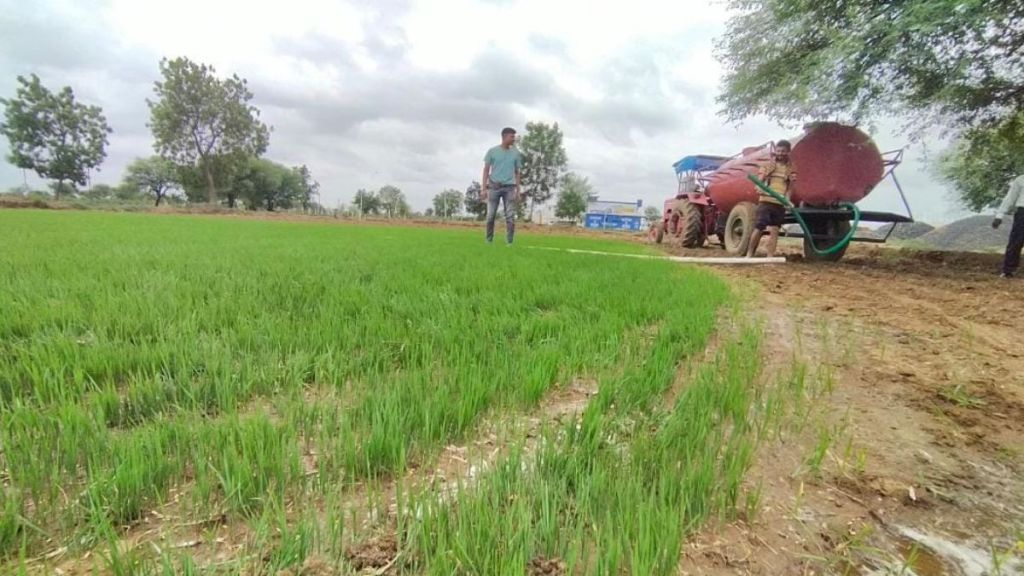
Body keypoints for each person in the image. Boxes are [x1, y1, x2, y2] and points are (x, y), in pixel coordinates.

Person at [747, 140, 796, 258]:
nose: (780, 153)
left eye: (783, 151)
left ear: (788, 152)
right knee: (759, 227)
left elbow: (789, 188)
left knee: (775, 230)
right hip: (765, 201)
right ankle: (749, 255)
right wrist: (759, 187)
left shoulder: (791, 169)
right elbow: (760, 180)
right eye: (778, 151)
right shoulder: (768, 165)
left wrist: (788, 200)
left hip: (780, 203)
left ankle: (770, 257)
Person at [481, 127, 522, 245]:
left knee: (510, 215)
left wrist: (518, 191)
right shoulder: (492, 151)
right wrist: (484, 188)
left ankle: (509, 242)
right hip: (494, 186)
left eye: (514, 137)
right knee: (490, 215)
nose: (514, 139)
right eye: (512, 136)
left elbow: (517, 172)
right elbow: (486, 170)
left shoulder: (516, 154)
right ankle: (489, 241)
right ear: (504, 137)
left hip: (509, 187)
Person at [992, 173, 1024, 278]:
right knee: (1016, 241)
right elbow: (1010, 198)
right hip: (1022, 213)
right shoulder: (1021, 179)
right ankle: (1008, 271)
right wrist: (999, 215)